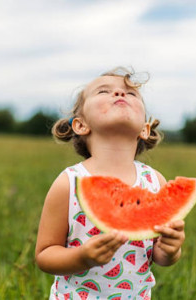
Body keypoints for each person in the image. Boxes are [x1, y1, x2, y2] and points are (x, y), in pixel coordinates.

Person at [35, 67, 186, 299]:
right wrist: (81, 258)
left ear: (145, 129)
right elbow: (45, 254)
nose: (120, 94)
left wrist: (170, 250)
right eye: (104, 91)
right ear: (80, 125)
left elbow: (158, 257)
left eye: (131, 94)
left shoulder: (155, 181)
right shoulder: (69, 183)